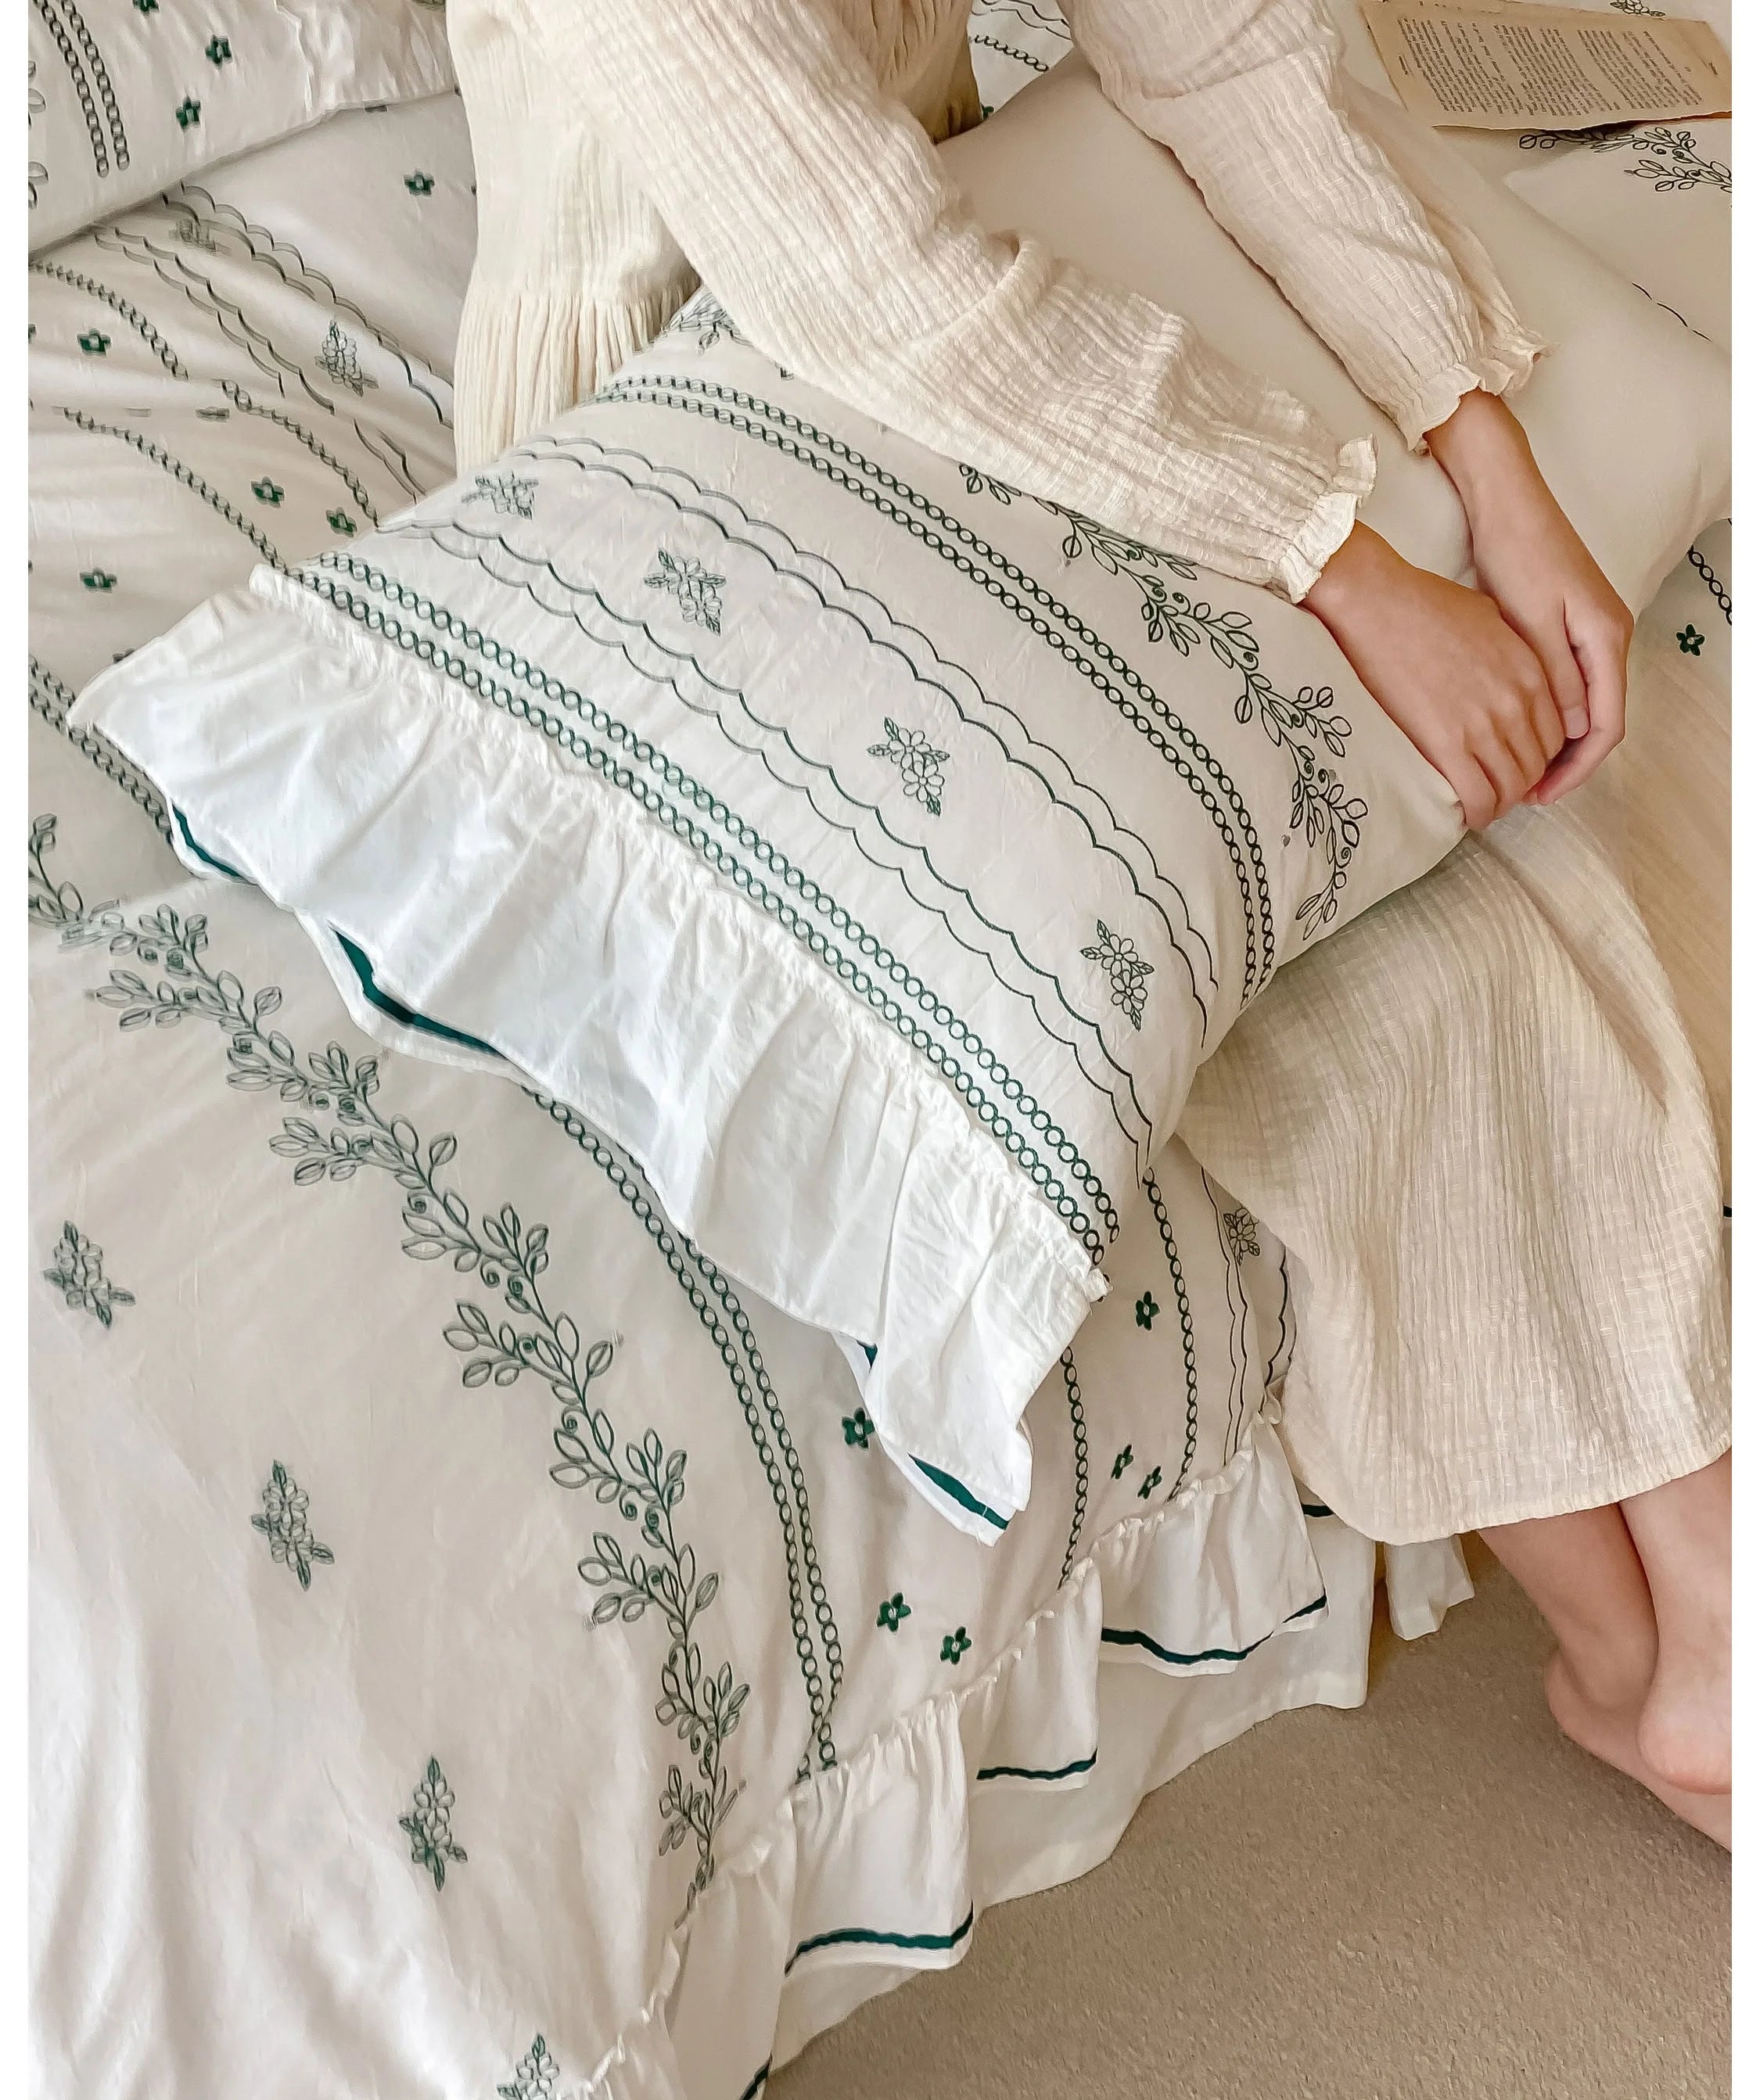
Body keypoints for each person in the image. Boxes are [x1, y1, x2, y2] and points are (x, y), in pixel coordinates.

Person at [448, 0, 1729, 1839]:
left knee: (1518, 809)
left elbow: (1217, 50)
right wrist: (1345, 563)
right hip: (683, 461)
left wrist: (1490, 466)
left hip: (987, 332)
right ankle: (1656, 1648)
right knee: (1343, 883)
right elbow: (866, 279)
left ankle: (1692, 1602)